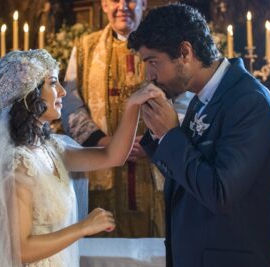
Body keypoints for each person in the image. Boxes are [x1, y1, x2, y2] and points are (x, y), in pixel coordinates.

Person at [0, 49, 162, 266]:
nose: (62, 92)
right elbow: (20, 249)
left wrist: (132, 107)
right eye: (52, 83)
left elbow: (112, 156)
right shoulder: (17, 163)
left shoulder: (51, 147)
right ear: (29, 94)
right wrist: (84, 227)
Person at [128, 4, 270, 267]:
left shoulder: (249, 101)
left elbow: (220, 193)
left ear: (185, 52)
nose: (149, 75)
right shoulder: (201, 98)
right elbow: (188, 174)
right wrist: (158, 136)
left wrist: (170, 134)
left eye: (153, 62)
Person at [61, 0, 165, 237]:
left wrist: (154, 144)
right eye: (115, 0)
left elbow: (183, 97)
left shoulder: (163, 45)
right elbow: (69, 102)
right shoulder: (85, 47)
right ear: (104, 4)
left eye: (131, 0)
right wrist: (104, 142)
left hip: (153, 162)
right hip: (100, 160)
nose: (122, 6)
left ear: (143, 4)